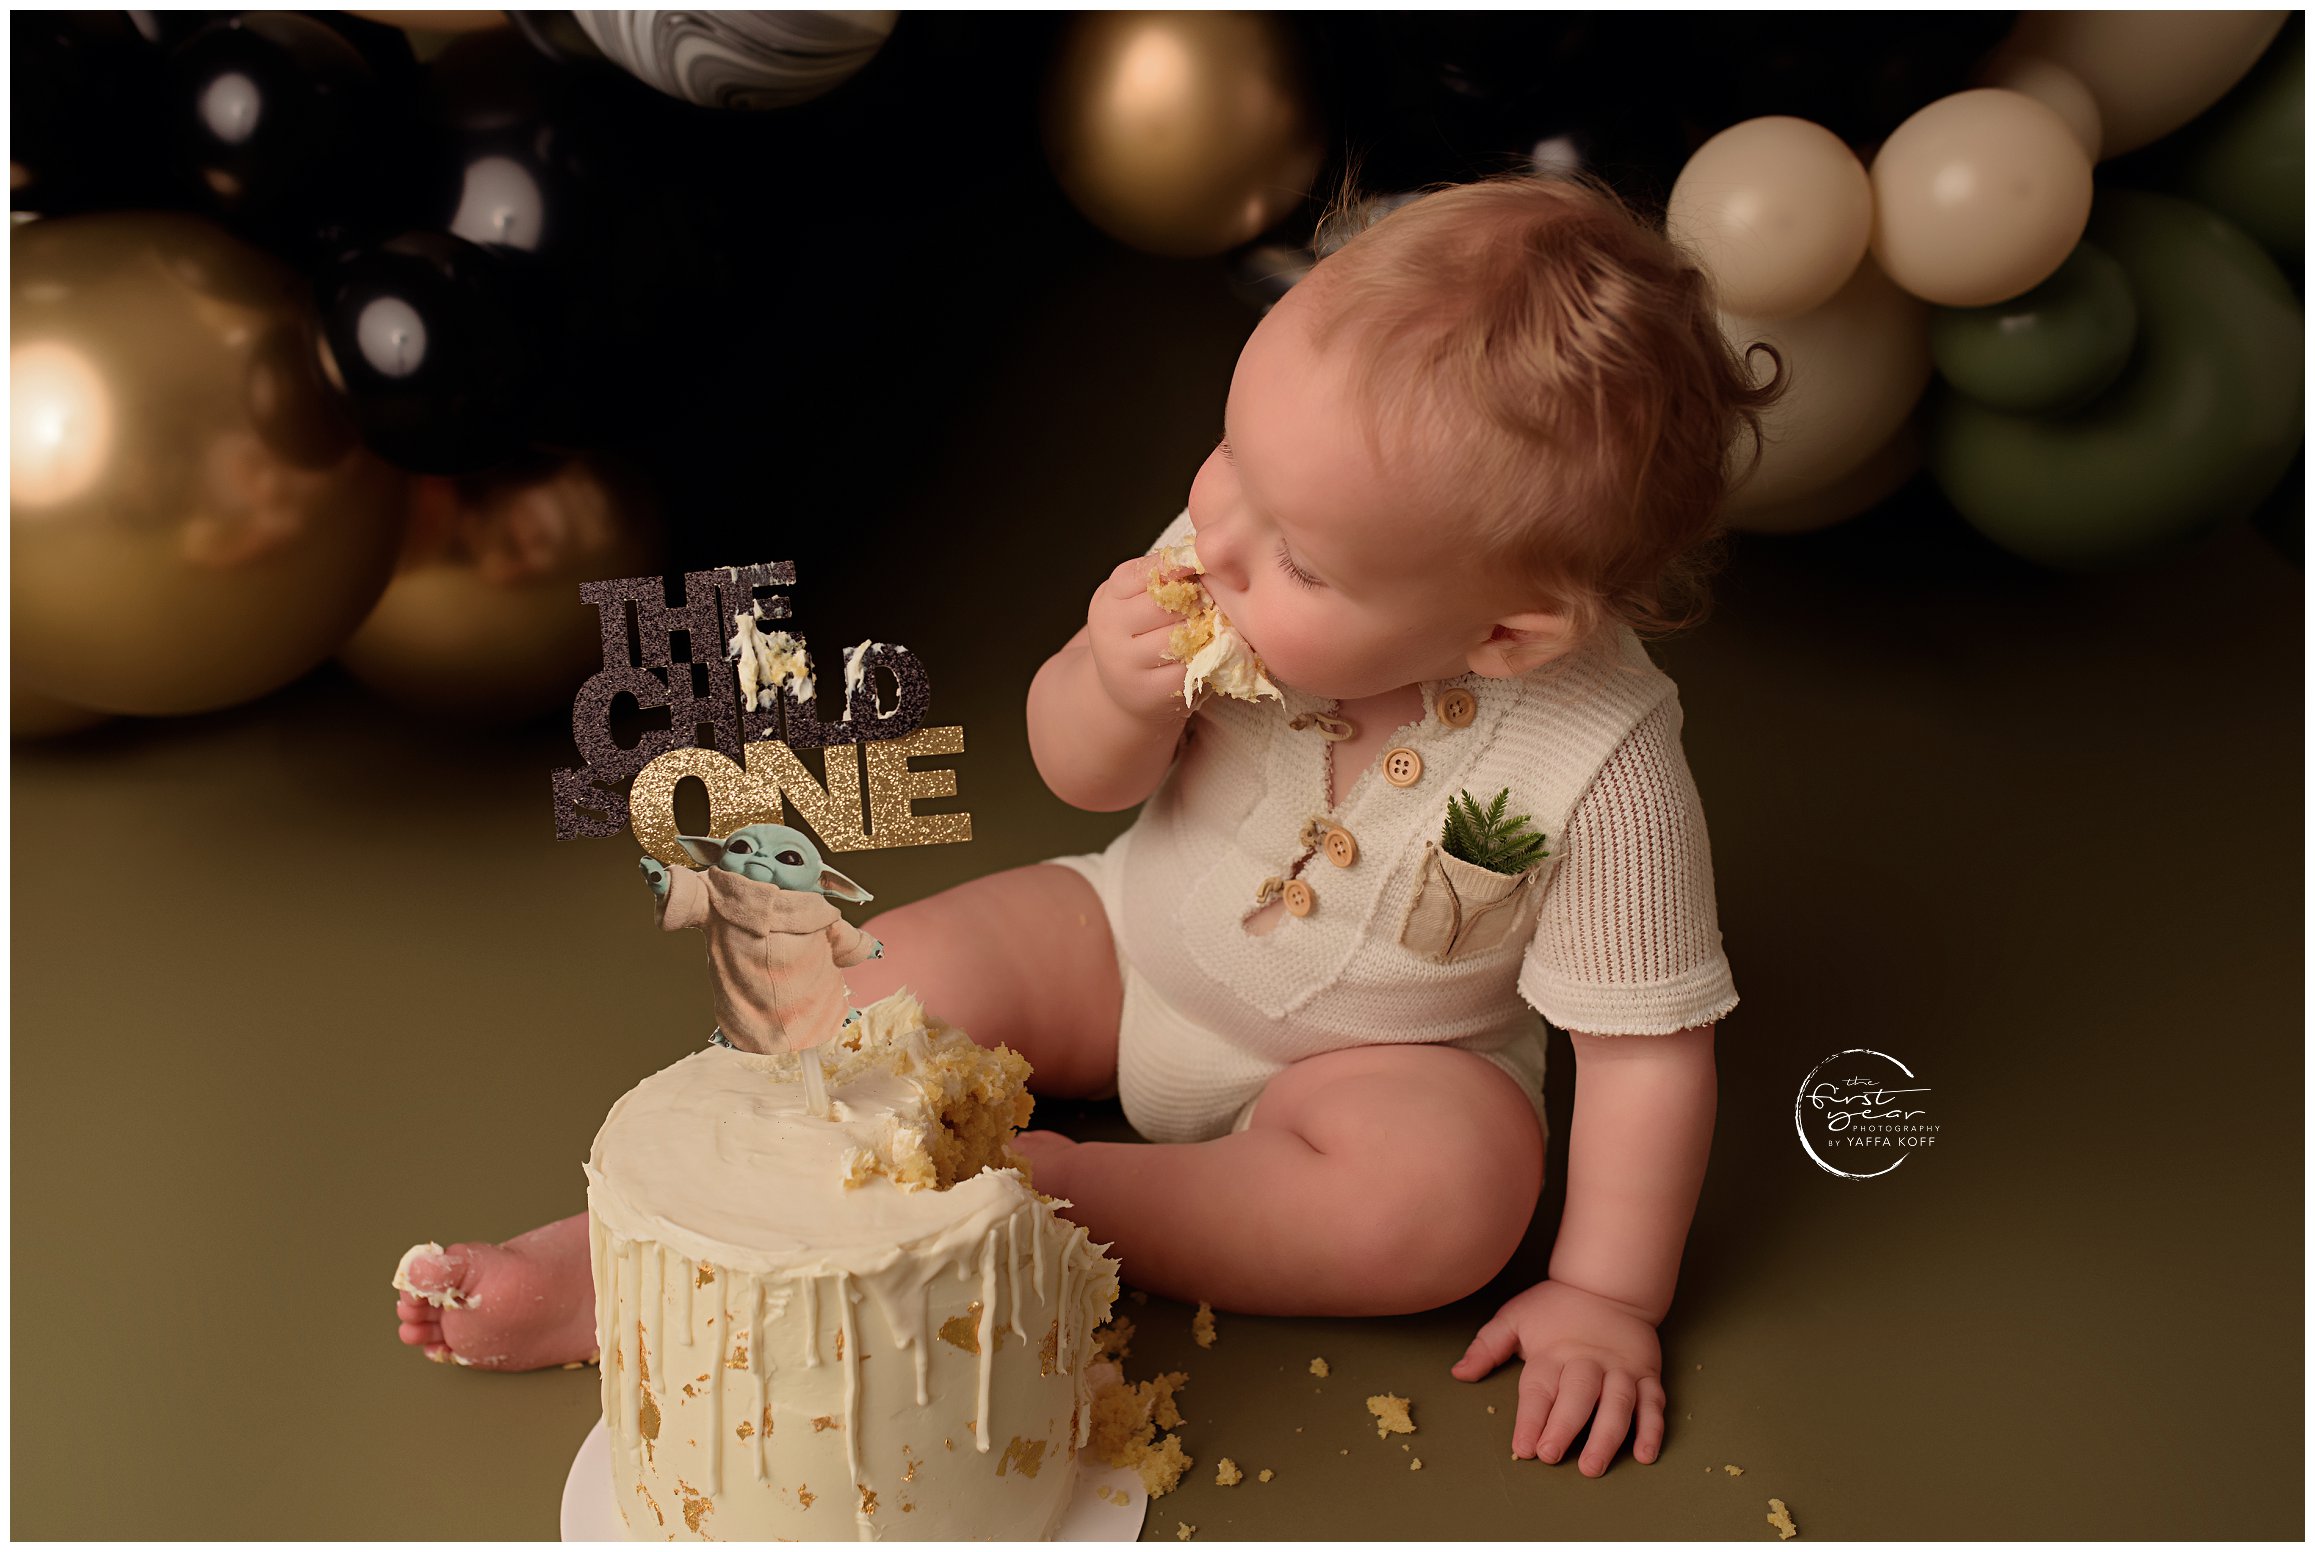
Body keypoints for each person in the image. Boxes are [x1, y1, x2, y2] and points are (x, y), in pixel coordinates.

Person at [395, 167, 1783, 1479]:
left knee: (1451, 1204)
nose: (1221, 535)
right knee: (860, 993)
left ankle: (1063, 1197)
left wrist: (1605, 1293)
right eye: (1231, 456)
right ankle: (625, 1252)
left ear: (1507, 631)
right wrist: (1113, 688)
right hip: (1126, 936)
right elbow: (1079, 775)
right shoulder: (1222, 549)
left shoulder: (1601, 769)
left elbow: (1646, 1058)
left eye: (1299, 556)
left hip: (1386, 1061)